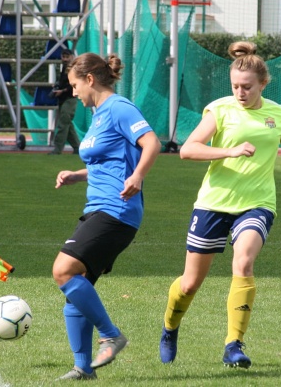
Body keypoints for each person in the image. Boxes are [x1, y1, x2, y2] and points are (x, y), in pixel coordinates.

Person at [159, 41, 281, 368]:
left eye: (247, 87)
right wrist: (230, 151)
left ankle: (233, 345)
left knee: (244, 264)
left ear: (263, 84)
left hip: (257, 203)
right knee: (190, 283)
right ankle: (170, 327)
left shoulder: (279, 115)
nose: (240, 92)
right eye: (236, 86)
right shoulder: (219, 110)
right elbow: (188, 149)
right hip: (213, 203)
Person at [51, 52, 160, 380]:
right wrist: (77, 175)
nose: (73, 93)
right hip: (98, 209)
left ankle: (111, 335)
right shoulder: (99, 115)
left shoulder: (119, 107)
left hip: (117, 210)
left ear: (89, 79)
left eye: (74, 86)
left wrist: (138, 176)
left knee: (64, 271)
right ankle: (83, 368)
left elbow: (152, 143)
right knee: (77, 291)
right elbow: (109, 162)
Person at [48, 48, 81, 155]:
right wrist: (57, 86)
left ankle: (57, 149)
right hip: (64, 98)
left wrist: (62, 90)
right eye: (63, 56)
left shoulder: (74, 69)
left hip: (70, 99)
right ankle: (77, 148)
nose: (65, 59)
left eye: (67, 57)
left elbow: (74, 85)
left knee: (63, 124)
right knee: (67, 124)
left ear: (72, 57)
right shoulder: (64, 68)